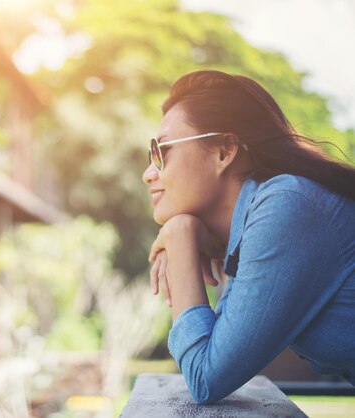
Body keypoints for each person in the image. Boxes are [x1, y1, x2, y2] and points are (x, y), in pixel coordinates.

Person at [143, 70, 355, 404]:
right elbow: (221, 349)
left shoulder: (288, 204)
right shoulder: (259, 224)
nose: (148, 173)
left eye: (161, 150)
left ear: (225, 150)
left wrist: (180, 234)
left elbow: (206, 376)